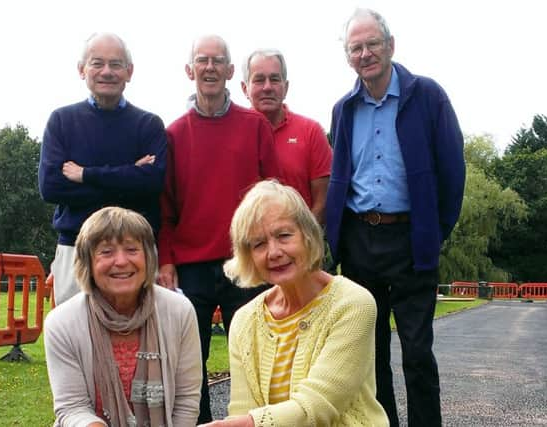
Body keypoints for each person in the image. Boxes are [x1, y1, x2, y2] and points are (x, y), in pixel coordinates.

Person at [326, 8, 466, 427]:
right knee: (370, 354)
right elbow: (340, 174)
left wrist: (433, 231)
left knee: (417, 351)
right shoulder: (343, 108)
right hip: (358, 239)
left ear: (390, 45)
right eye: (356, 48)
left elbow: (452, 171)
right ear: (348, 55)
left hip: (411, 238)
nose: (365, 53)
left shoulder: (428, 96)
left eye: (372, 44)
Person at [156, 35, 281, 423]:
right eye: (201, 60)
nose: (209, 67)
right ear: (189, 70)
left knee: (253, 362)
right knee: (189, 365)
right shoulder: (173, 134)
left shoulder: (254, 126)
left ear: (230, 71)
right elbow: (165, 206)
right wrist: (165, 260)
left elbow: (272, 198)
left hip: (244, 265)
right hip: (190, 268)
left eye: (218, 61)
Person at [198, 180, 388, 427]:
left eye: (284, 235)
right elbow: (242, 409)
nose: (273, 252)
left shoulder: (352, 303)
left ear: (308, 235)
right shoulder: (245, 321)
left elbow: (318, 405)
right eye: (259, 244)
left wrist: (250, 424)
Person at [38, 32, 167, 305]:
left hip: (134, 252)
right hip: (76, 249)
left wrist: (86, 174)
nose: (106, 72)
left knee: (135, 339)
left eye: (116, 64)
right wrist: (128, 174)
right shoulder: (61, 121)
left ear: (129, 72)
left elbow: (151, 184)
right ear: (82, 69)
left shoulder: (149, 125)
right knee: (74, 337)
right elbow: (51, 187)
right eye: (97, 63)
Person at [44, 206, 202, 427]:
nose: (120, 261)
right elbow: (72, 407)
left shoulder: (179, 311)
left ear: (148, 257)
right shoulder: (61, 323)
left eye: (131, 249)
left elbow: (186, 401)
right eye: (106, 252)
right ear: (87, 262)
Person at [241, 49, 332, 224]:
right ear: (245, 88)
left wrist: (300, 239)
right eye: (259, 80)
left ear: (286, 87)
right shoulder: (234, 134)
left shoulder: (311, 131)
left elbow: (323, 201)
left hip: (300, 245)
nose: (267, 87)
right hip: (248, 246)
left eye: (274, 79)